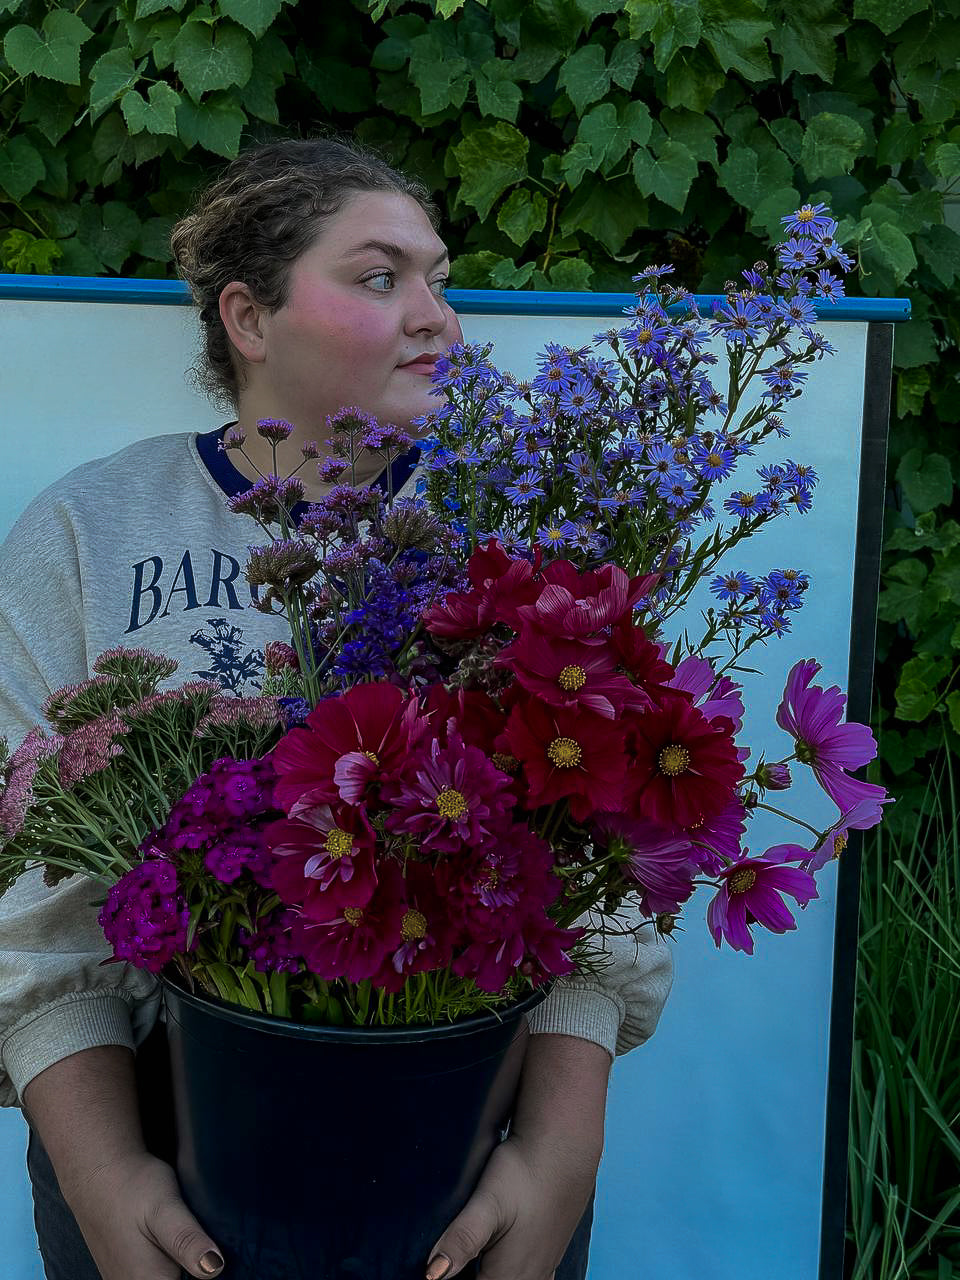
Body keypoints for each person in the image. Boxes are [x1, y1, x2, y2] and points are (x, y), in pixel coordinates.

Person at [0, 138, 674, 1280]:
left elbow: (604, 883)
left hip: (468, 1158)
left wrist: (559, 1152)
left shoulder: (510, 535)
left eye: (440, 279)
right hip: (157, 1165)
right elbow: (26, 904)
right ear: (248, 318)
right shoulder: (88, 533)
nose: (437, 317)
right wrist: (106, 1182)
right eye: (380, 277)